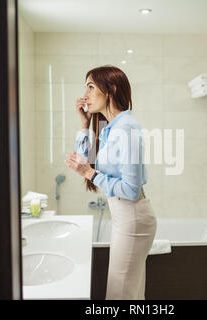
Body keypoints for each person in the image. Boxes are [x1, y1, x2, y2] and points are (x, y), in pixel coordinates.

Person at [64, 65, 157, 300]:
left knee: (119, 293)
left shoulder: (126, 129)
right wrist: (84, 125)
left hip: (132, 216)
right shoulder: (109, 128)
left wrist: (89, 174)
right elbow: (87, 160)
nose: (85, 94)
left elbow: (131, 190)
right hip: (125, 216)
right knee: (129, 292)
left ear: (111, 90)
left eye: (91, 86)